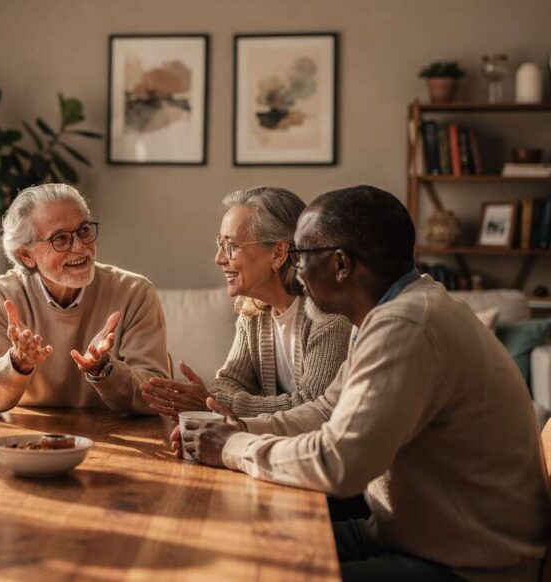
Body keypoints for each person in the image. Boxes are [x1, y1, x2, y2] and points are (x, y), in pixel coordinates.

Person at [173, 185, 550, 581]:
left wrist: (234, 447)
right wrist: (238, 429)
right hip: (402, 535)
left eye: (301, 257)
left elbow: (339, 465)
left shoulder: (407, 325)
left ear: (340, 265)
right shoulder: (386, 315)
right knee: (234, 544)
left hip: (465, 564)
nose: (296, 273)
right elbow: (324, 410)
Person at [140, 187, 351, 418]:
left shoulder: (330, 316)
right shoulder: (253, 309)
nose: (219, 258)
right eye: (219, 244)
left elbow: (314, 407)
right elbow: (228, 381)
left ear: (279, 253)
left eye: (231, 246)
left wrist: (214, 403)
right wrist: (214, 400)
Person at [0, 183, 170, 415]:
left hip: (114, 436)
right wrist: (16, 362)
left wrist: (105, 370)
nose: (81, 248)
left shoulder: (135, 292)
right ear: (26, 255)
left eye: (83, 231)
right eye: (60, 239)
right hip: (26, 439)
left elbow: (157, 397)